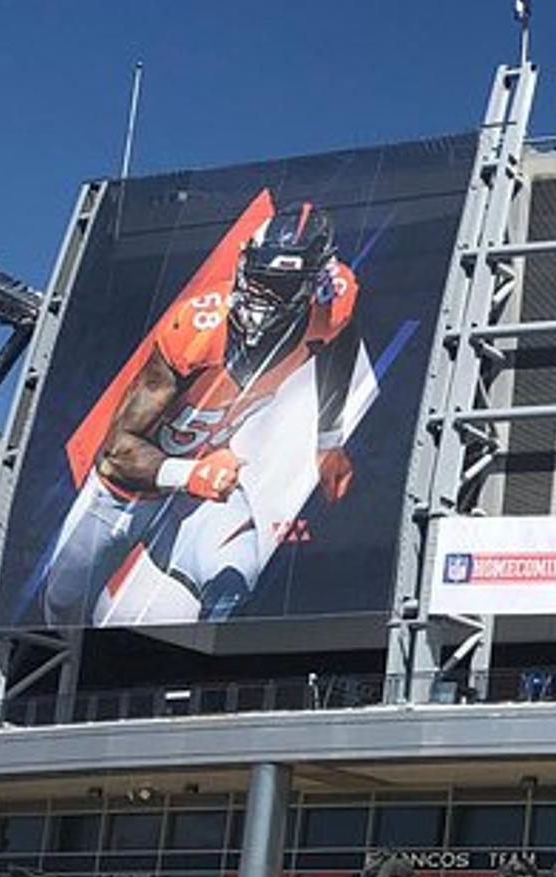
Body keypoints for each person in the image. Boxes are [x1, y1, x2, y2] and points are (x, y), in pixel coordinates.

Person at [43, 198, 363, 624]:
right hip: (126, 493)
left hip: (205, 485)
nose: (259, 297)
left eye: (279, 286)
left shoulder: (331, 308)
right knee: (62, 611)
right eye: (257, 277)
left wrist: (328, 442)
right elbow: (117, 453)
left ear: (312, 288)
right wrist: (189, 475)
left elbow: (340, 342)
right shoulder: (201, 326)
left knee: (232, 590)